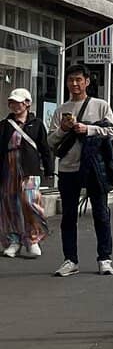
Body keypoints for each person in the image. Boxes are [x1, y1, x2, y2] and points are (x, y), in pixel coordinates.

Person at [48, 64, 113, 277]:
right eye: (71, 80)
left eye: (79, 79)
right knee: (68, 216)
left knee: (100, 213)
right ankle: (70, 260)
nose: (75, 84)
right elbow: (51, 142)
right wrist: (64, 129)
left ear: (87, 81)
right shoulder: (61, 110)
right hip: (69, 168)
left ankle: (105, 258)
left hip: (94, 167)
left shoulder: (101, 105)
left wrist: (88, 129)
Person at [0, 88, 53, 259]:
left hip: (29, 167)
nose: (15, 105)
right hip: (8, 166)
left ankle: (33, 239)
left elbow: (45, 148)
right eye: (12, 102)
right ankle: (13, 240)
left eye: (19, 102)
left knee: (29, 201)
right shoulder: (4, 125)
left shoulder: (36, 124)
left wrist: (49, 169)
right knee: (10, 204)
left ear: (27, 103)